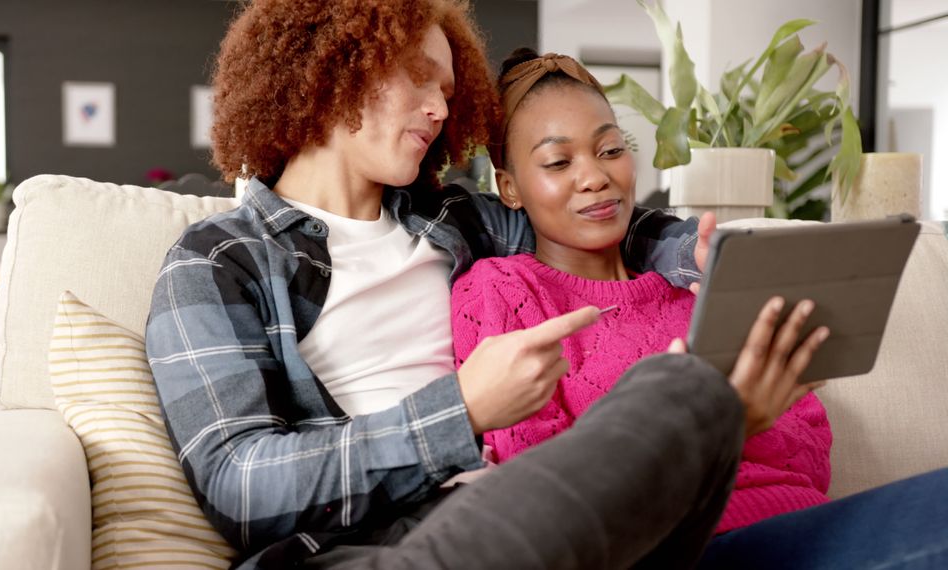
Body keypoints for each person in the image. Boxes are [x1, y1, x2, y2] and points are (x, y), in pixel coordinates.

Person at [145, 1, 826, 568]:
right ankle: (703, 417)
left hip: (517, 519)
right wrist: (461, 412)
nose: (441, 111)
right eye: (418, 79)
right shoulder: (220, 259)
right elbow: (240, 485)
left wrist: (697, 255)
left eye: (447, 91)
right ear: (331, 70)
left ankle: (702, 427)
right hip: (365, 554)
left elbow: (596, 217)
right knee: (672, 391)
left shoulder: (454, 221)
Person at [451, 48, 948, 569]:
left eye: (611, 149)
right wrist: (722, 428)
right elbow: (542, 495)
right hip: (680, 550)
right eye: (558, 161)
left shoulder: (701, 281)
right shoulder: (501, 292)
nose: (594, 176)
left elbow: (806, 451)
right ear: (509, 188)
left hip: (800, 527)